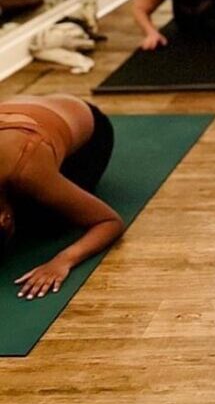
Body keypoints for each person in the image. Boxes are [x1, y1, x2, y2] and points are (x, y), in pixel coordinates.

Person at [0, 94, 123, 299]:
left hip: (89, 129)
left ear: (6, 219)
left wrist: (62, 261)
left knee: (48, 220)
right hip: (29, 111)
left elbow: (109, 221)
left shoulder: (25, 171)